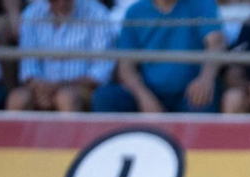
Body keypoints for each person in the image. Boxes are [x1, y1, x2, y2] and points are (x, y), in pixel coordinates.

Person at [91, 0, 224, 112]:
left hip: (191, 90)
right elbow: (125, 65)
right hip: (148, 89)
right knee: (106, 97)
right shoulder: (135, 12)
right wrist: (143, 96)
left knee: (203, 98)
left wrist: (205, 79)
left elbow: (215, 43)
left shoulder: (201, 3)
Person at [8, 0, 115, 112]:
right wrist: (40, 86)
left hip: (81, 87)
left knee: (66, 98)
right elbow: (28, 65)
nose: (62, 3)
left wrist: (60, 86)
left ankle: (72, 130)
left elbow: (101, 69)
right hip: (40, 87)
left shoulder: (97, 13)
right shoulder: (32, 13)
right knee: (17, 99)